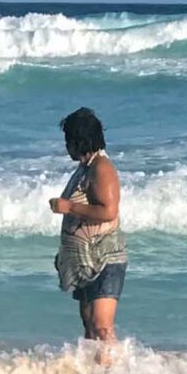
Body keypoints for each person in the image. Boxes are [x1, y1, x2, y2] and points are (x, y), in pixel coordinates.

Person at [49, 107, 125, 355]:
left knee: (102, 327)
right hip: (85, 259)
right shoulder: (85, 168)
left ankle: (115, 371)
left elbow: (109, 211)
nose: (66, 146)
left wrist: (69, 207)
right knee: (90, 328)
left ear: (78, 140)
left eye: (68, 140)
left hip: (104, 257)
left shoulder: (102, 168)